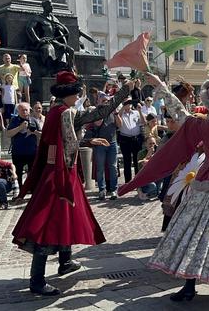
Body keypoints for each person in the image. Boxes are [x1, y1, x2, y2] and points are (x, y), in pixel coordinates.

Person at [117, 76, 209, 302]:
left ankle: (189, 286)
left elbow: (178, 113)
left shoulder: (201, 124)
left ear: (207, 100)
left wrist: (160, 85)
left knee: (196, 234)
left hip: (205, 183)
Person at [12, 71, 133, 296]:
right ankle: (37, 280)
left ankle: (65, 261)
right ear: (69, 93)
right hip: (60, 173)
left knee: (66, 216)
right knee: (47, 223)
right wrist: (126, 90)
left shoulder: (55, 111)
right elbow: (102, 111)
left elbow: (65, 140)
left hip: (56, 169)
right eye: (76, 92)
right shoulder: (66, 112)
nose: (78, 96)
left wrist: (89, 139)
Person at [83, 95, 119, 200]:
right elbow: (97, 123)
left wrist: (115, 113)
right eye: (103, 101)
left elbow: (120, 125)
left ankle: (113, 190)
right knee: (100, 168)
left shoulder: (113, 113)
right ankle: (102, 190)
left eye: (107, 101)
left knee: (113, 167)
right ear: (99, 102)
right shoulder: (96, 113)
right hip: (100, 144)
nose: (106, 103)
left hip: (112, 143)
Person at [6, 102, 42, 187]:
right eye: (22, 110)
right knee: (18, 172)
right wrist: (20, 128)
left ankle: (32, 190)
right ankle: (19, 190)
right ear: (18, 111)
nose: (24, 112)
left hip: (32, 151)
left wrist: (34, 132)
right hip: (18, 152)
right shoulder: (14, 120)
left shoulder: (34, 120)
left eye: (26, 110)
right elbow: (8, 134)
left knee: (33, 172)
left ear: (29, 111)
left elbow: (41, 134)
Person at [115, 100, 146, 182]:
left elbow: (143, 122)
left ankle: (137, 180)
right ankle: (128, 181)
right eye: (126, 103)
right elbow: (118, 122)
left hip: (136, 138)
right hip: (125, 139)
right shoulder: (120, 113)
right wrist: (123, 108)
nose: (128, 104)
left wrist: (140, 111)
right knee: (127, 161)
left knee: (137, 160)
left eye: (129, 103)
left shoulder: (136, 113)